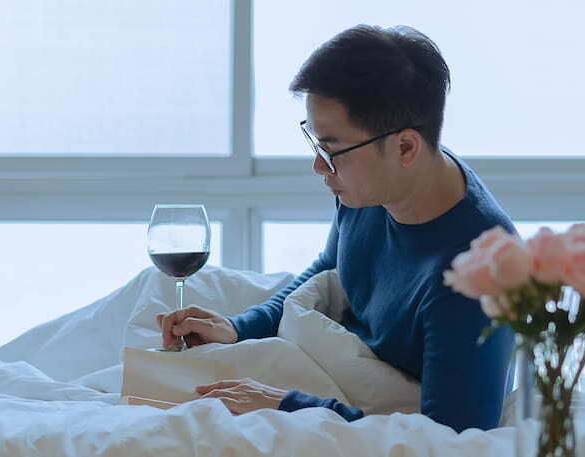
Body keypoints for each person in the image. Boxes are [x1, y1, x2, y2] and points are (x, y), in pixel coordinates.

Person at [155, 24, 515, 433]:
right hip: (336, 363)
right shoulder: (379, 187)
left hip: (368, 403)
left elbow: (450, 435)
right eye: (316, 144)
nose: (319, 167)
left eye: (332, 150)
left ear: (405, 147)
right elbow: (334, 264)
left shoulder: (476, 276)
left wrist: (290, 406)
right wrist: (240, 327)